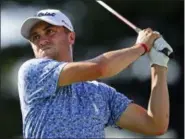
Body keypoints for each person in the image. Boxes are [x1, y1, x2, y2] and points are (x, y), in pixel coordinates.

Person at [18, 9, 171, 138]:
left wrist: (159, 66)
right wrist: (141, 47)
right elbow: (101, 68)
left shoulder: (99, 93)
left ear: (71, 37)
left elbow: (154, 124)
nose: (42, 41)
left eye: (49, 31)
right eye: (35, 37)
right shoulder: (32, 71)